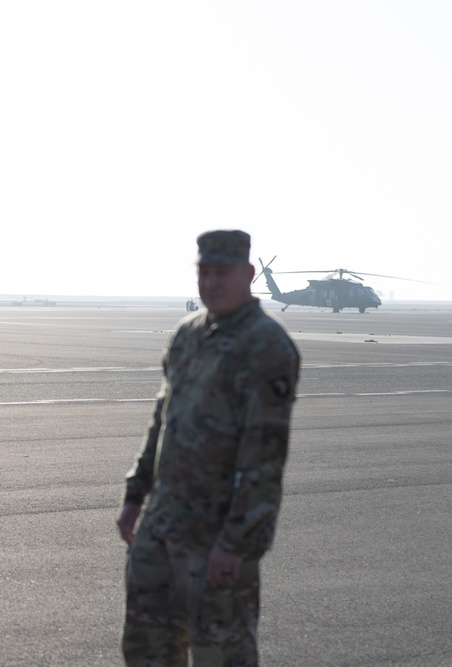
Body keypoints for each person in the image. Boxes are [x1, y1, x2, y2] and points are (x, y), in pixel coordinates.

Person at [117, 230, 300, 667]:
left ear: (249, 274)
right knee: (147, 648)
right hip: (161, 527)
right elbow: (162, 420)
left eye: (223, 273)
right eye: (205, 272)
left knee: (223, 652)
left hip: (217, 536)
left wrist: (235, 544)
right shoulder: (187, 335)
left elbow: (265, 459)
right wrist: (134, 496)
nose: (211, 283)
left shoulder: (267, 346)